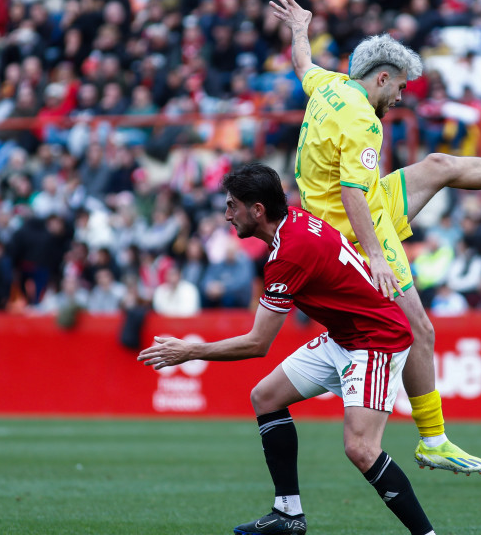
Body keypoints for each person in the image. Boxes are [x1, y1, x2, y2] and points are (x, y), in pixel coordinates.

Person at [270, 0, 481, 474]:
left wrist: (300, 28)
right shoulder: (363, 119)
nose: (402, 97)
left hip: (368, 206)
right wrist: (377, 258)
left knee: (439, 165)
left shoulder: (329, 86)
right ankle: (433, 439)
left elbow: (303, 62)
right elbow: (351, 195)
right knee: (419, 329)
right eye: (400, 87)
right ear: (381, 77)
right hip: (353, 229)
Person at [138, 163, 437, 535]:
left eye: (233, 206)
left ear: (258, 210)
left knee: (361, 448)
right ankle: (287, 514)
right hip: (346, 335)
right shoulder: (293, 222)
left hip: (376, 339)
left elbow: (257, 343)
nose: (227, 215)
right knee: (265, 397)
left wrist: (190, 351)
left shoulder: (288, 254)